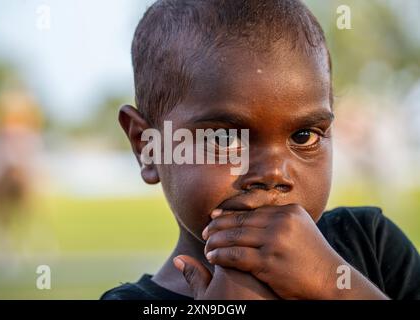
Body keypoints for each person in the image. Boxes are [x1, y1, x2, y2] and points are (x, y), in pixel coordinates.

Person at [101, 0, 420, 300]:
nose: (273, 173)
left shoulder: (369, 246)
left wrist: (335, 287)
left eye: (304, 135)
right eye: (224, 140)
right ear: (148, 147)